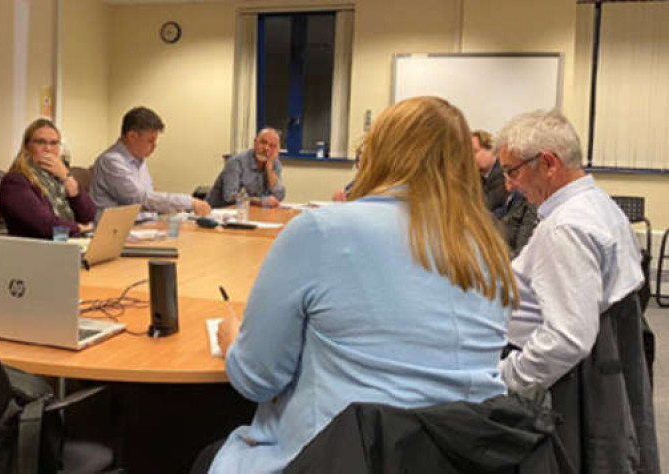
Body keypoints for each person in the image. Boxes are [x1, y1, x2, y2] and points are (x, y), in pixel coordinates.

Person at [202, 97, 517, 473]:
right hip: (456, 460)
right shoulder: (489, 249)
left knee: (206, 452)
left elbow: (257, 380)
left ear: (376, 153)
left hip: (339, 458)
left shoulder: (322, 230)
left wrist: (234, 341)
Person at [495, 109, 644, 393]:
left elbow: (566, 339)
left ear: (549, 163)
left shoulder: (565, 228)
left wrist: (503, 379)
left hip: (557, 383)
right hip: (588, 368)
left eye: (512, 171)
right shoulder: (598, 203)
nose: (509, 185)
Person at [90, 106, 211, 216]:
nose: (154, 146)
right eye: (150, 141)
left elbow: (150, 198)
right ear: (132, 136)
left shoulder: (138, 159)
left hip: (144, 227)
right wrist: (188, 202)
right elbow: (139, 199)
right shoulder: (111, 161)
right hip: (118, 232)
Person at [0, 118, 96, 239]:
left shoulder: (59, 175)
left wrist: (66, 178)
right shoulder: (15, 181)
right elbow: (45, 226)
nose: (48, 149)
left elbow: (88, 214)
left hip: (68, 242)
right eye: (40, 142)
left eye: (54, 143)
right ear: (27, 147)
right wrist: (79, 228)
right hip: (36, 248)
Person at [206, 128, 286, 208]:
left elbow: (279, 196)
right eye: (263, 142)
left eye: (272, 146)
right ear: (255, 142)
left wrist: (269, 168)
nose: (266, 148)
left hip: (249, 212)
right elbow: (229, 196)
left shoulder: (274, 163)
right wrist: (261, 201)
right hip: (219, 211)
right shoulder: (236, 162)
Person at [473, 129, 506, 213]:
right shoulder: (477, 178)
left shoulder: (505, 174)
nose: (470, 157)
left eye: (474, 151)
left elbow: (487, 206)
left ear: (491, 149)